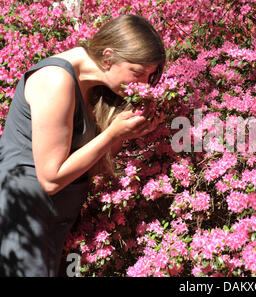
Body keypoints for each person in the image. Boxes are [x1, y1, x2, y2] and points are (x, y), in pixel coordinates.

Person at [0, 14, 166, 276]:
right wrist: (113, 134)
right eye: (138, 73)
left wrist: (129, 133)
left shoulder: (93, 87)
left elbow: (90, 166)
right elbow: (51, 179)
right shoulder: (56, 80)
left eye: (150, 76)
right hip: (25, 224)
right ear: (108, 56)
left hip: (55, 225)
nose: (143, 84)